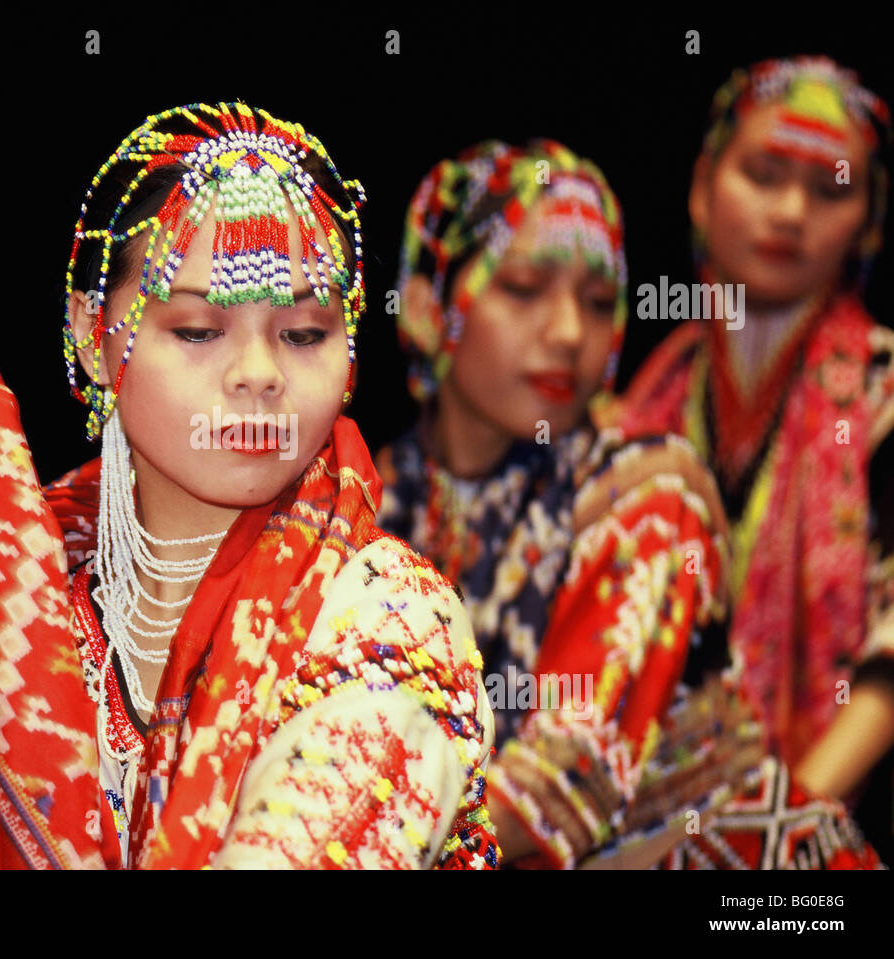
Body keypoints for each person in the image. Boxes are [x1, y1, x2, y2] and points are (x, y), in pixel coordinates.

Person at [0, 101, 499, 870]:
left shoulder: (389, 620)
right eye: (197, 330)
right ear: (93, 335)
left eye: (304, 333)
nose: (258, 374)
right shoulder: (31, 589)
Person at [379, 138, 881, 869]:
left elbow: (554, 790)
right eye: (523, 288)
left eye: (598, 302)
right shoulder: (373, 499)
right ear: (427, 307)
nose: (568, 333)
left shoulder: (649, 493)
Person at [610, 57, 894, 853]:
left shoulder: (882, 394)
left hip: (827, 831)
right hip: (659, 825)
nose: (791, 212)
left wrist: (775, 826)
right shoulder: (645, 404)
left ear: (869, 225)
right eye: (763, 175)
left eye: (831, 190)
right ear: (703, 187)